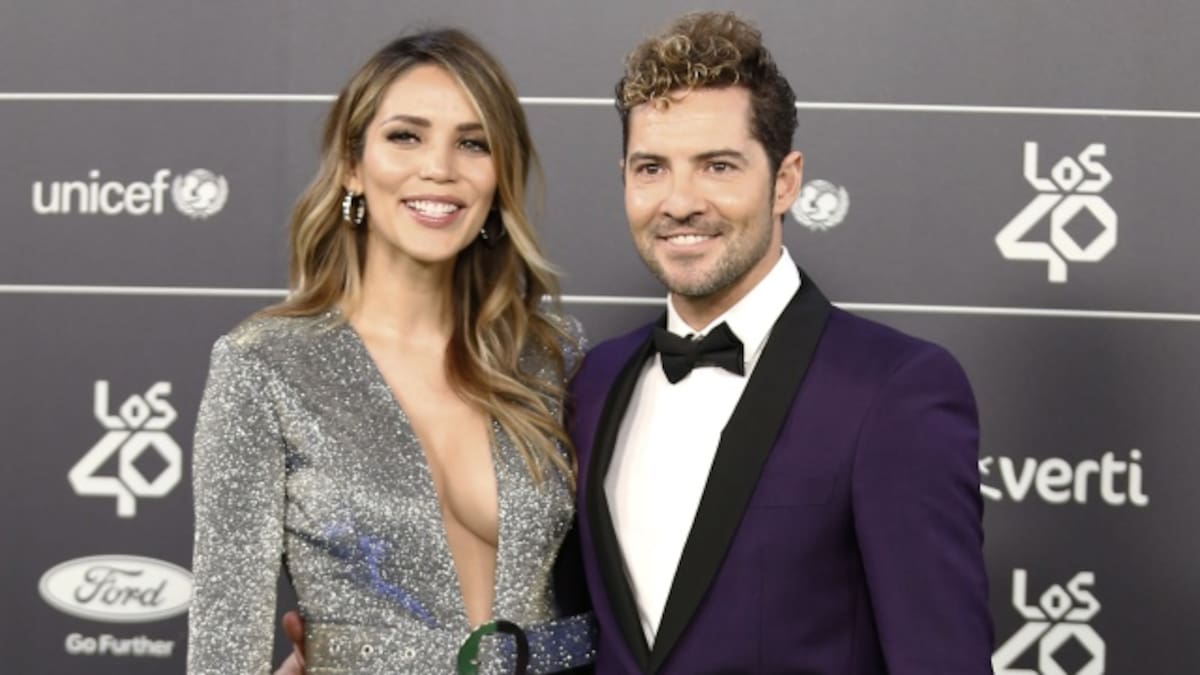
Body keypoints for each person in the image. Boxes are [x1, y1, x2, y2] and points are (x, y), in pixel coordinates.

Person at [568, 11, 994, 674]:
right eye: (652, 168)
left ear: (786, 181)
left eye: (718, 166)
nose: (679, 202)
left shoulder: (892, 389)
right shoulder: (593, 382)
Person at [187, 29, 594, 674]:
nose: (439, 167)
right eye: (406, 136)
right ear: (353, 164)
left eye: (473, 143)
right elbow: (224, 647)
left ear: (499, 178)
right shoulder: (264, 366)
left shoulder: (552, 356)